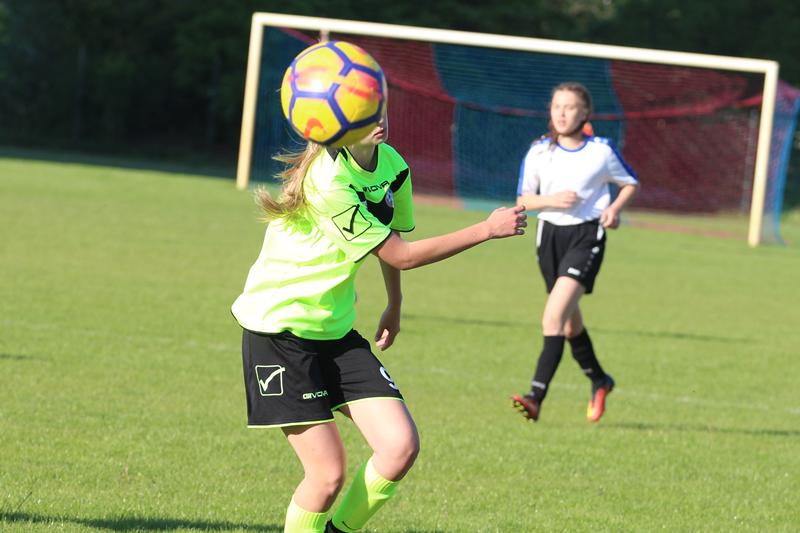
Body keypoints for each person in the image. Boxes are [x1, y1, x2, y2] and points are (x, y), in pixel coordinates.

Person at [232, 104, 527, 532]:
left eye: (378, 110)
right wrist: (485, 229)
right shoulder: (328, 180)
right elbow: (401, 255)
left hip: (333, 330)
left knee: (399, 447)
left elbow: (393, 234)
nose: (379, 121)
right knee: (326, 476)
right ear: (337, 126)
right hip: (280, 329)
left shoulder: (392, 165)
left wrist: (395, 303)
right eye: (363, 115)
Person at [511, 81, 639, 423]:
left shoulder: (601, 151)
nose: (562, 113)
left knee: (553, 317)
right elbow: (523, 199)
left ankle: (535, 397)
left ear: (585, 113)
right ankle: (600, 379)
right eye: (557, 107)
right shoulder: (539, 151)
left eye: (569, 107)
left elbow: (629, 183)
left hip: (586, 236)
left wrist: (614, 210)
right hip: (549, 238)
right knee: (569, 323)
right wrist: (551, 200)